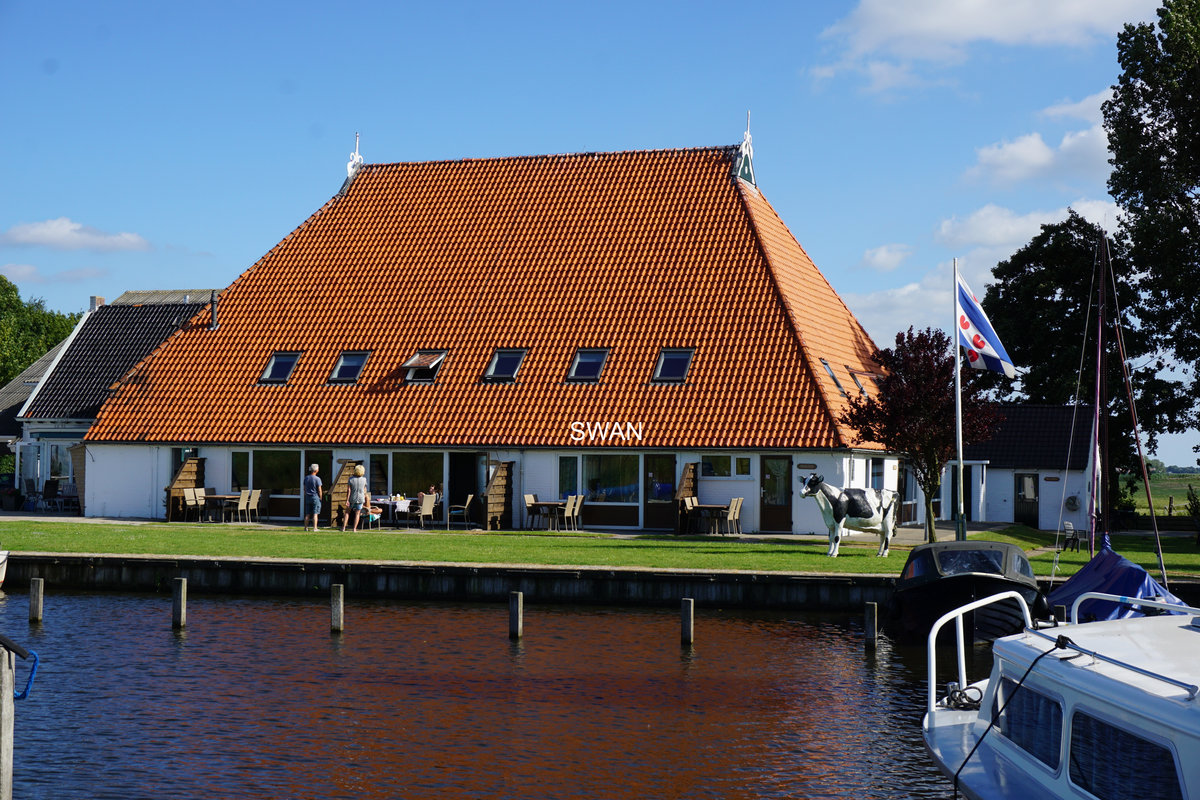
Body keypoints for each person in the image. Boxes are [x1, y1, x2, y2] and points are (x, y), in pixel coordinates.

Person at [343, 464, 370, 532]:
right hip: (360, 499)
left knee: (347, 512)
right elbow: (365, 489)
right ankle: (354, 529)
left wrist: (347, 500)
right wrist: (364, 496)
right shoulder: (364, 479)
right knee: (357, 514)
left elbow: (349, 490)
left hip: (352, 498)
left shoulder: (351, 479)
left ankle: (343, 528)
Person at [302, 464, 322, 531]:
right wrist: (320, 497)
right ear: (316, 470)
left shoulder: (306, 478)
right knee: (315, 513)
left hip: (308, 496)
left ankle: (305, 527)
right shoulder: (317, 479)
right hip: (315, 497)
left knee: (307, 514)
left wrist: (305, 495)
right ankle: (315, 528)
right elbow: (319, 490)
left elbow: (304, 489)